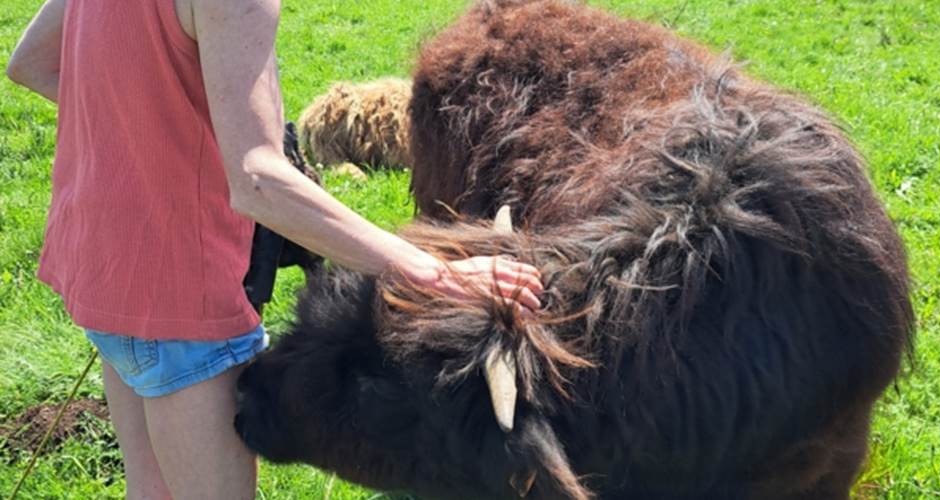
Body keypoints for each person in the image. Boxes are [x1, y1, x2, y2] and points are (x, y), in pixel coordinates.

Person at [6, 0, 544, 498]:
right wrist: (436, 276)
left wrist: (156, 129)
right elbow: (258, 181)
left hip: (100, 267)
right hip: (180, 292)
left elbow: (30, 63)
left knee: (150, 491)